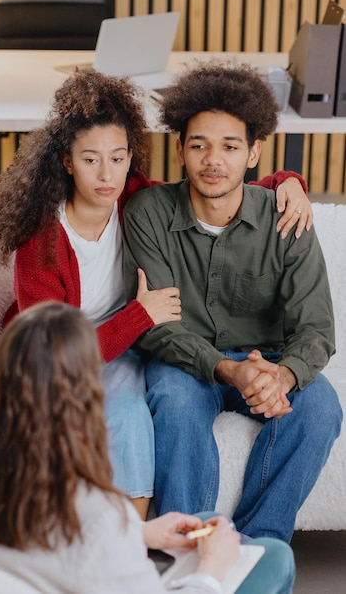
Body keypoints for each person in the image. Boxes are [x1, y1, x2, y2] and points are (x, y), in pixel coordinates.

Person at [0, 68, 311, 519]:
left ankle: (139, 544)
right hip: (56, 355)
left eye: (118, 158)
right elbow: (53, 356)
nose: (106, 175)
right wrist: (140, 315)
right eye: (90, 159)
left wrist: (287, 181)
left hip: (119, 347)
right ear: (66, 161)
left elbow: (214, 189)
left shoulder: (130, 196)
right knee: (108, 417)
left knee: (132, 414)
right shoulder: (41, 240)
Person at [0, 301, 296, 594]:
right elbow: (87, 533)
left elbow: (47, 544)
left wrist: (141, 533)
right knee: (273, 557)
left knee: (208, 527)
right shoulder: (95, 513)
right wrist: (211, 571)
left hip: (61, 573)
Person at [121, 59, 343, 543]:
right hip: (184, 363)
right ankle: (186, 547)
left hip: (269, 357)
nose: (213, 160)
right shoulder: (149, 214)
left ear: (253, 153)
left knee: (321, 405)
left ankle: (256, 547)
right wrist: (229, 370)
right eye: (199, 145)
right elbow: (158, 326)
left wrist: (281, 376)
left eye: (230, 146)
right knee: (174, 399)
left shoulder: (286, 217)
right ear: (179, 151)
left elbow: (317, 329)